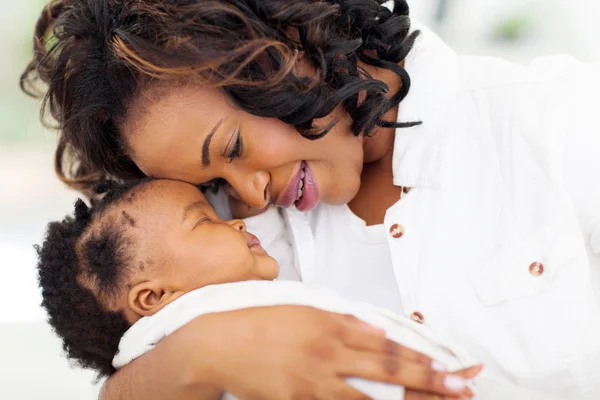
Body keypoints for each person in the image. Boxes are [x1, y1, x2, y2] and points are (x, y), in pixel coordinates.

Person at [21, 0, 600, 399]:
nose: (249, 193)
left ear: (283, 43)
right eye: (214, 187)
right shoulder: (233, 238)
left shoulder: (557, 123)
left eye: (235, 146)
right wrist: (206, 352)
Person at [36, 178, 484, 399]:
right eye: (204, 220)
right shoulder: (202, 324)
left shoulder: (227, 300)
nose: (233, 220)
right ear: (153, 297)